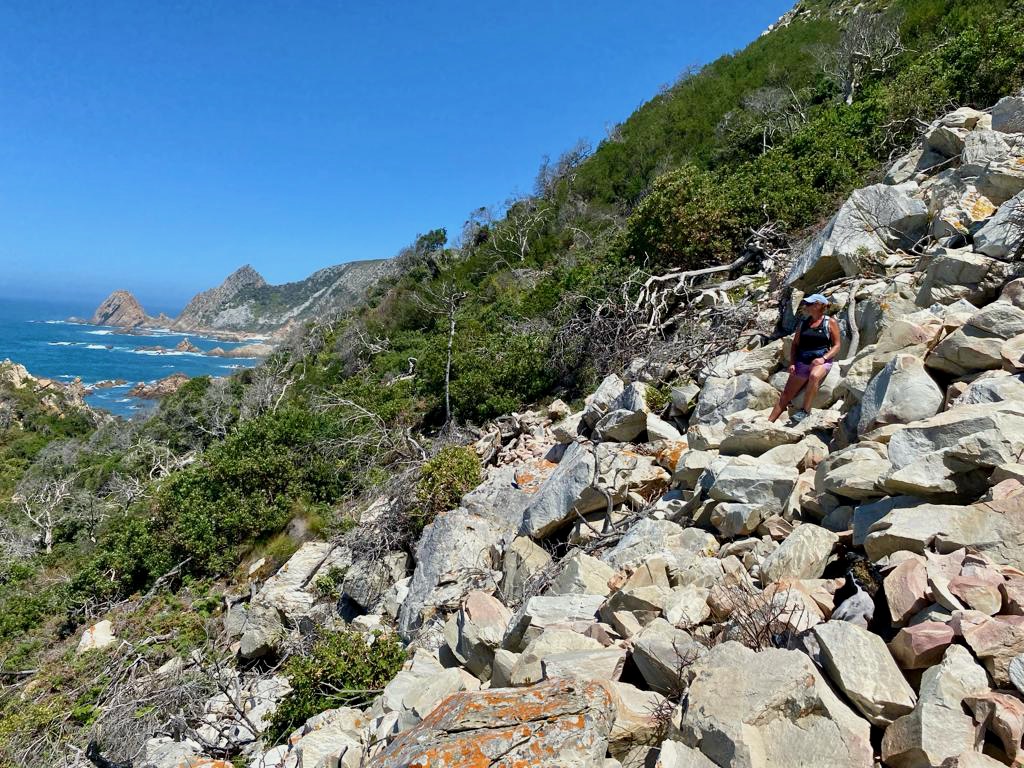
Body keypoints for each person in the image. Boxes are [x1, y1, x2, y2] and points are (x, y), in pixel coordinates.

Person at [768, 293, 841, 424]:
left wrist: (824, 358)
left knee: (814, 376)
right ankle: (769, 422)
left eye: (809, 304)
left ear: (818, 305)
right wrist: (792, 363)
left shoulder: (829, 322)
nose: (805, 306)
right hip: (802, 361)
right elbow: (795, 344)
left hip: (820, 360)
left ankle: (805, 411)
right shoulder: (804, 323)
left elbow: (837, 345)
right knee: (786, 396)